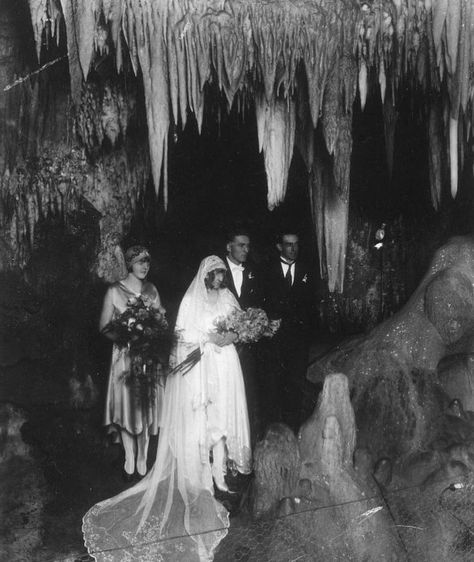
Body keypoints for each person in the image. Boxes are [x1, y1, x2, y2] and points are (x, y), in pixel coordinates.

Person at [83, 255, 251, 561]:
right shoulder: (191, 299)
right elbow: (182, 337)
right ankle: (193, 473)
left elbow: (239, 325)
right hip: (198, 369)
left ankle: (221, 473)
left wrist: (232, 335)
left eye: (222, 274)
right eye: (215, 274)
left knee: (222, 419)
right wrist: (207, 340)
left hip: (224, 366)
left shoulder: (227, 297)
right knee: (197, 420)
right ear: (205, 276)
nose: (219, 279)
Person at [100, 245, 166, 480]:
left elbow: (161, 322)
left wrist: (151, 333)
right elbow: (105, 326)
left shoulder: (152, 290)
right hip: (125, 358)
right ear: (129, 264)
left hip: (147, 356)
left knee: (146, 407)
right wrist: (127, 336)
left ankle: (142, 457)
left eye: (147, 262)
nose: (144, 266)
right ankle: (129, 455)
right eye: (139, 262)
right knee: (127, 407)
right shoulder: (114, 291)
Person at [264, 230, 317, 431]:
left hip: (298, 342)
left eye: (296, 244)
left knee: (294, 389)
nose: (293, 249)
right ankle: (271, 437)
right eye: (288, 244)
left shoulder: (307, 270)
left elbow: (312, 304)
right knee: (272, 389)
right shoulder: (266, 270)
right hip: (273, 343)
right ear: (280, 246)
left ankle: (292, 434)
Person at [223, 228, 265, 441]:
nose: (246, 250)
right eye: (241, 245)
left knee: (248, 395)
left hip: (248, 348)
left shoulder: (255, 271)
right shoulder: (216, 271)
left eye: (248, 245)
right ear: (229, 246)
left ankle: (247, 442)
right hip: (223, 346)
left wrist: (254, 327)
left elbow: (260, 305)